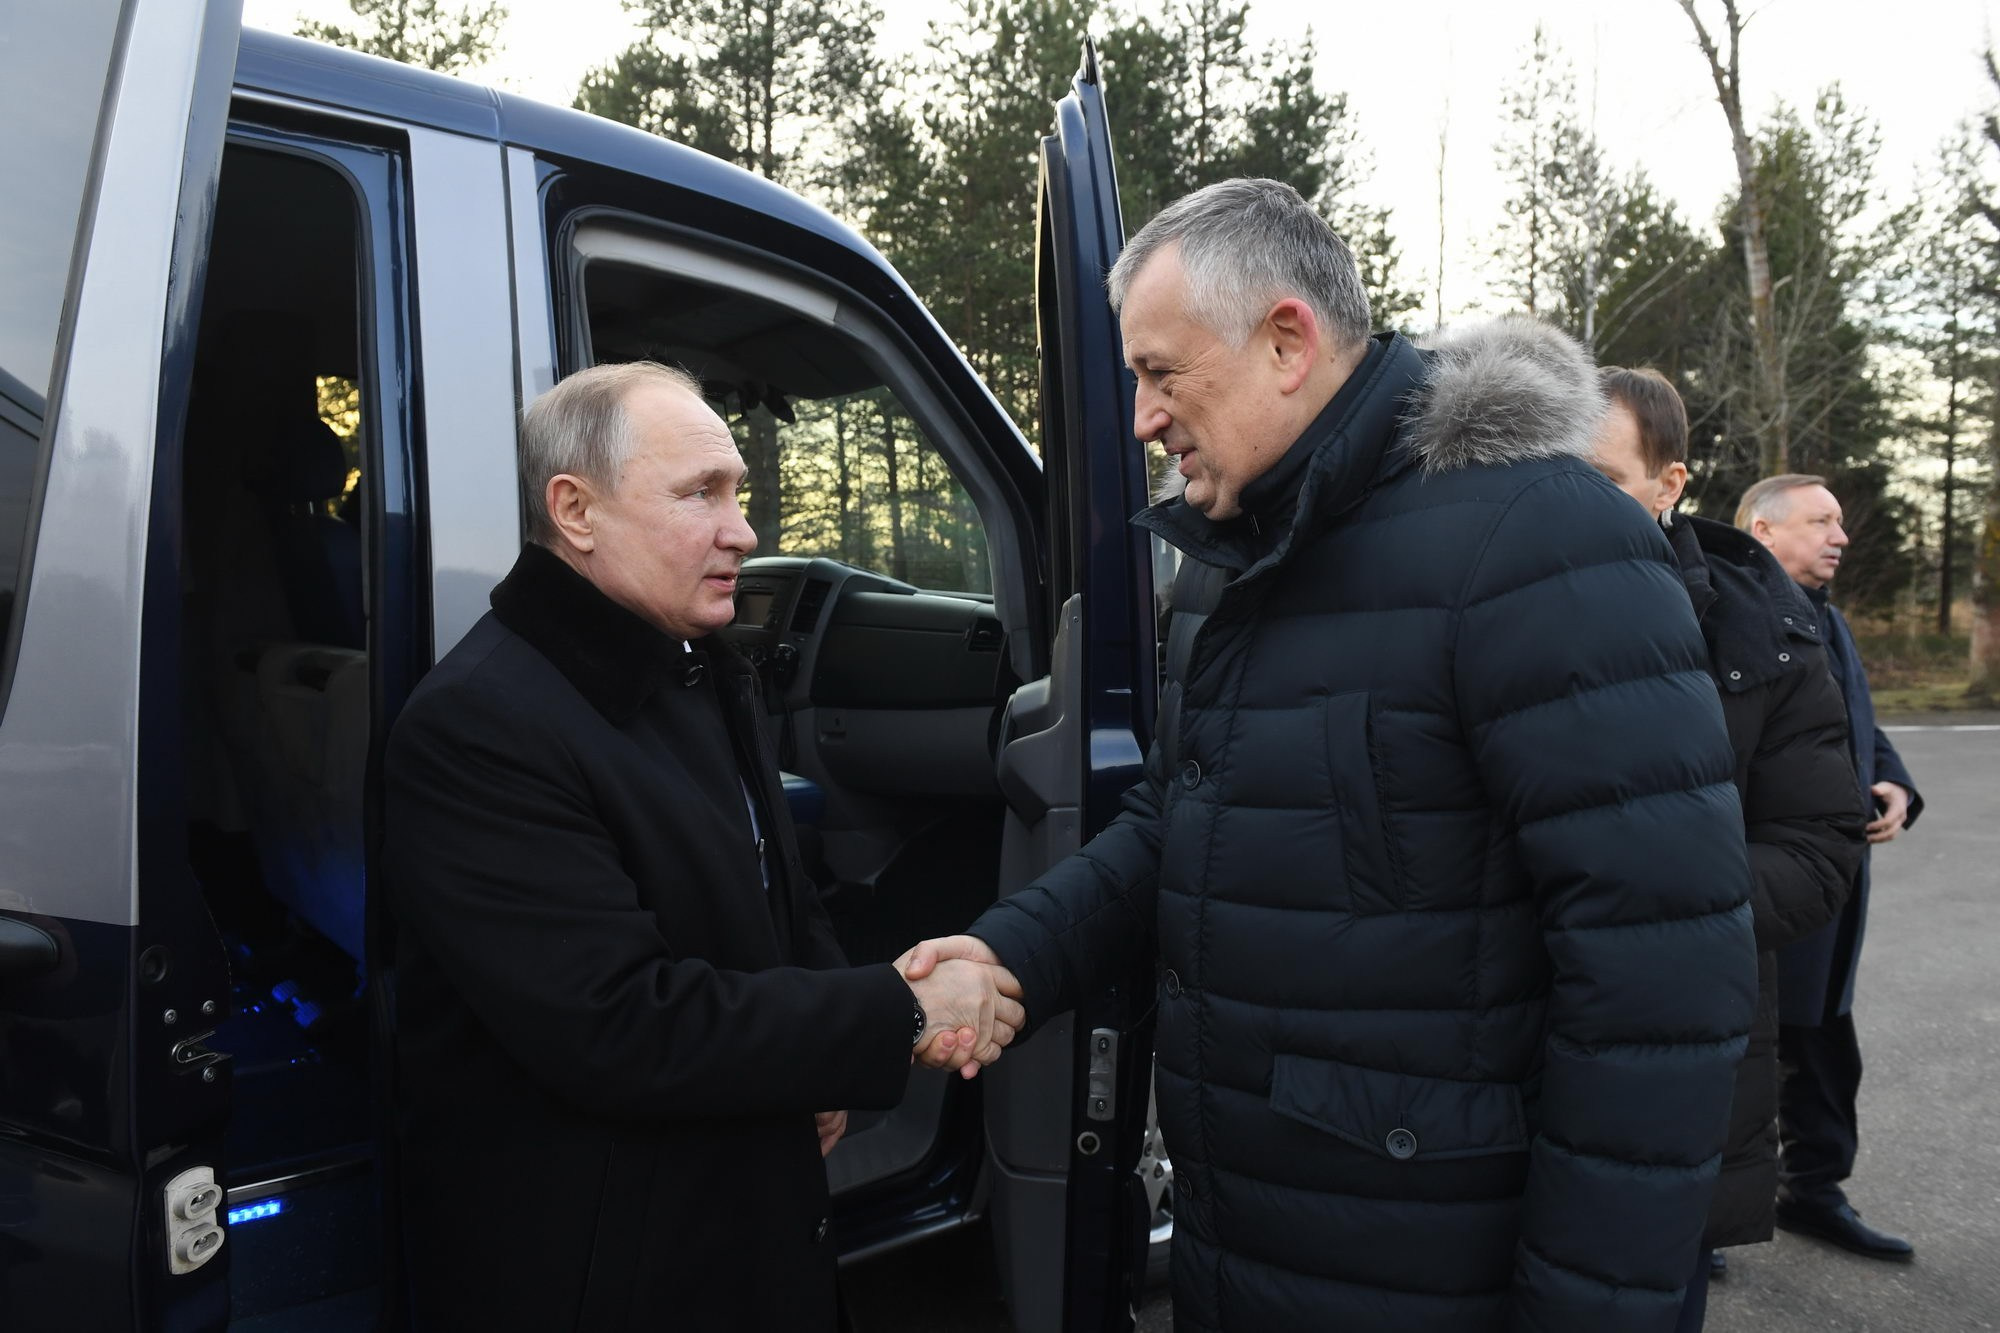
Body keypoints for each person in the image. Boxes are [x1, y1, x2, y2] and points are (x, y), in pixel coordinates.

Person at [904, 179, 1759, 1332]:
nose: (1143, 419)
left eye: (1160, 373)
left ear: (1286, 341)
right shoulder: (1229, 560)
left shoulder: (1539, 539)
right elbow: (1179, 821)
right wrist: (1008, 952)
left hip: (1433, 1267)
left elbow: (1657, 992)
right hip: (1250, 1239)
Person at [380, 361, 1021, 1331]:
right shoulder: (477, 725)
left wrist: (825, 1062)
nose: (744, 531)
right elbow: (619, 1025)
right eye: (700, 494)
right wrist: (896, 1011)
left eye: (739, 492)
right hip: (606, 1271)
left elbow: (777, 894)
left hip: (739, 1218)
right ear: (575, 510)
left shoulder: (695, 664)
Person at [1593, 370, 1865, 1324]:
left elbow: (1819, 847)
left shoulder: (1765, 635)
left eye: (1601, 481)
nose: (1565, 509)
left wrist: (1652, 904)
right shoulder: (1471, 604)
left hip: (1681, 1054)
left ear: (1669, 484)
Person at [1738, 474, 1925, 1262]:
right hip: (1768, 870)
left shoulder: (1829, 619)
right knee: (1740, 1049)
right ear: (1762, 529)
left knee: (1823, 1041)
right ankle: (1704, 1218)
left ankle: (1813, 1190)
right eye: (1821, 521)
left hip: (1836, 877)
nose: (1840, 537)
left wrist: (1896, 783)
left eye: (1840, 522)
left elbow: (1859, 724)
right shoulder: (1732, 616)